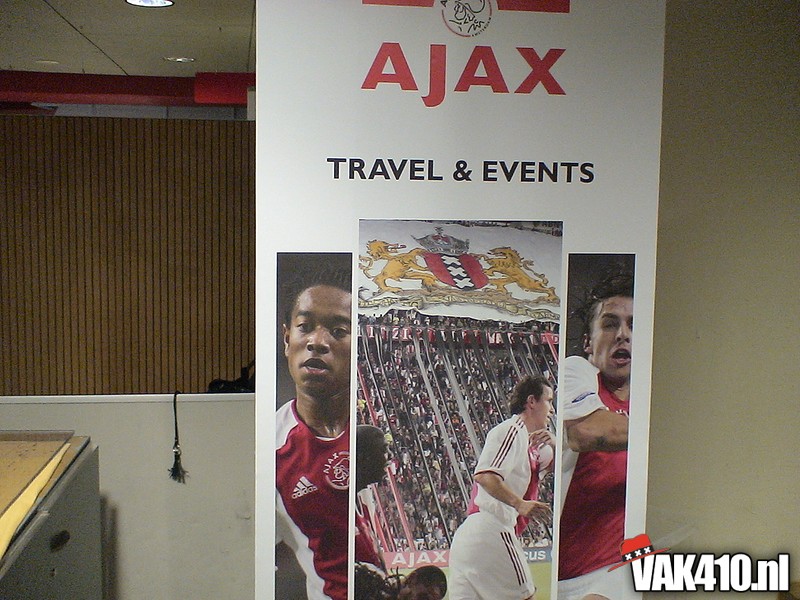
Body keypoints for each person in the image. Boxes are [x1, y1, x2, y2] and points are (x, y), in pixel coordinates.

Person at [275, 264, 352, 600]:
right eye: (305, 327)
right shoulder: (270, 450)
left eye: (338, 331)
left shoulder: (387, 426)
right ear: (286, 339)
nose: (317, 342)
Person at [557, 271, 633, 600]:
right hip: (565, 575)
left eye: (634, 326)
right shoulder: (576, 371)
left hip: (619, 567)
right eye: (610, 324)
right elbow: (586, 432)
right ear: (588, 342)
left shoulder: (654, 400)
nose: (623, 335)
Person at [448, 375, 556, 600]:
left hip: (471, 538)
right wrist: (520, 504)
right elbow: (485, 475)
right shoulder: (512, 430)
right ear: (531, 401)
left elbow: (559, 464)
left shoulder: (528, 446)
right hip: (492, 528)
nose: (552, 409)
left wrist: (554, 442)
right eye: (549, 401)